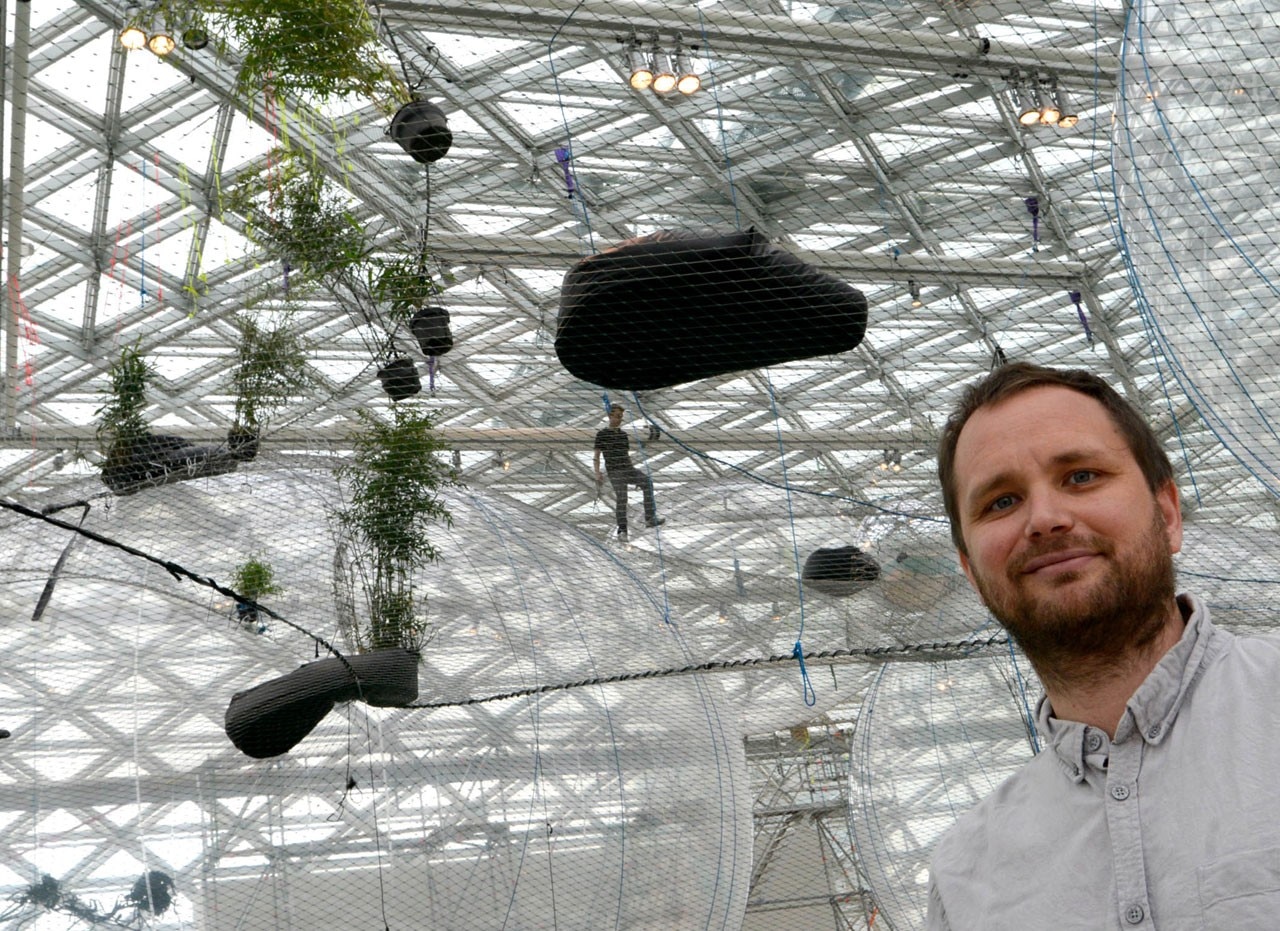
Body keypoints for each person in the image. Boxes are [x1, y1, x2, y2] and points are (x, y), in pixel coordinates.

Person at [927, 362, 1280, 930]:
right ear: (971, 572)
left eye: (1082, 476)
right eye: (1000, 502)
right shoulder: (966, 877)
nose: (1044, 519)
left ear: (1167, 514)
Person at [593, 405, 663, 540]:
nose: (620, 419)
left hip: (627, 469)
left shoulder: (623, 435)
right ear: (610, 416)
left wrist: (635, 475)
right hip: (615, 471)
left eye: (621, 417)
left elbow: (625, 455)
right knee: (622, 498)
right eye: (618, 416)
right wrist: (597, 473)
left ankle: (649, 518)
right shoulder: (602, 434)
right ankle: (622, 530)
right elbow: (596, 455)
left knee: (647, 482)